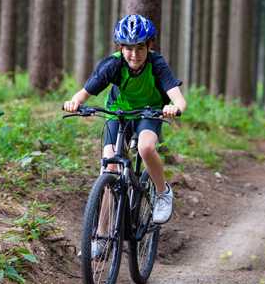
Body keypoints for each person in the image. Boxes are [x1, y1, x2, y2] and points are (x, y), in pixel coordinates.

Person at [64, 14, 187, 257]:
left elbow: (177, 96)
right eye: (128, 48)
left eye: (140, 47)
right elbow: (86, 91)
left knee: (146, 148)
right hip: (117, 113)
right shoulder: (113, 64)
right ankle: (100, 235)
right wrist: (74, 102)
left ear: (149, 45)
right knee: (109, 169)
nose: (134, 54)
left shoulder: (157, 64)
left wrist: (176, 107)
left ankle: (162, 193)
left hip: (148, 112)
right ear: (120, 48)